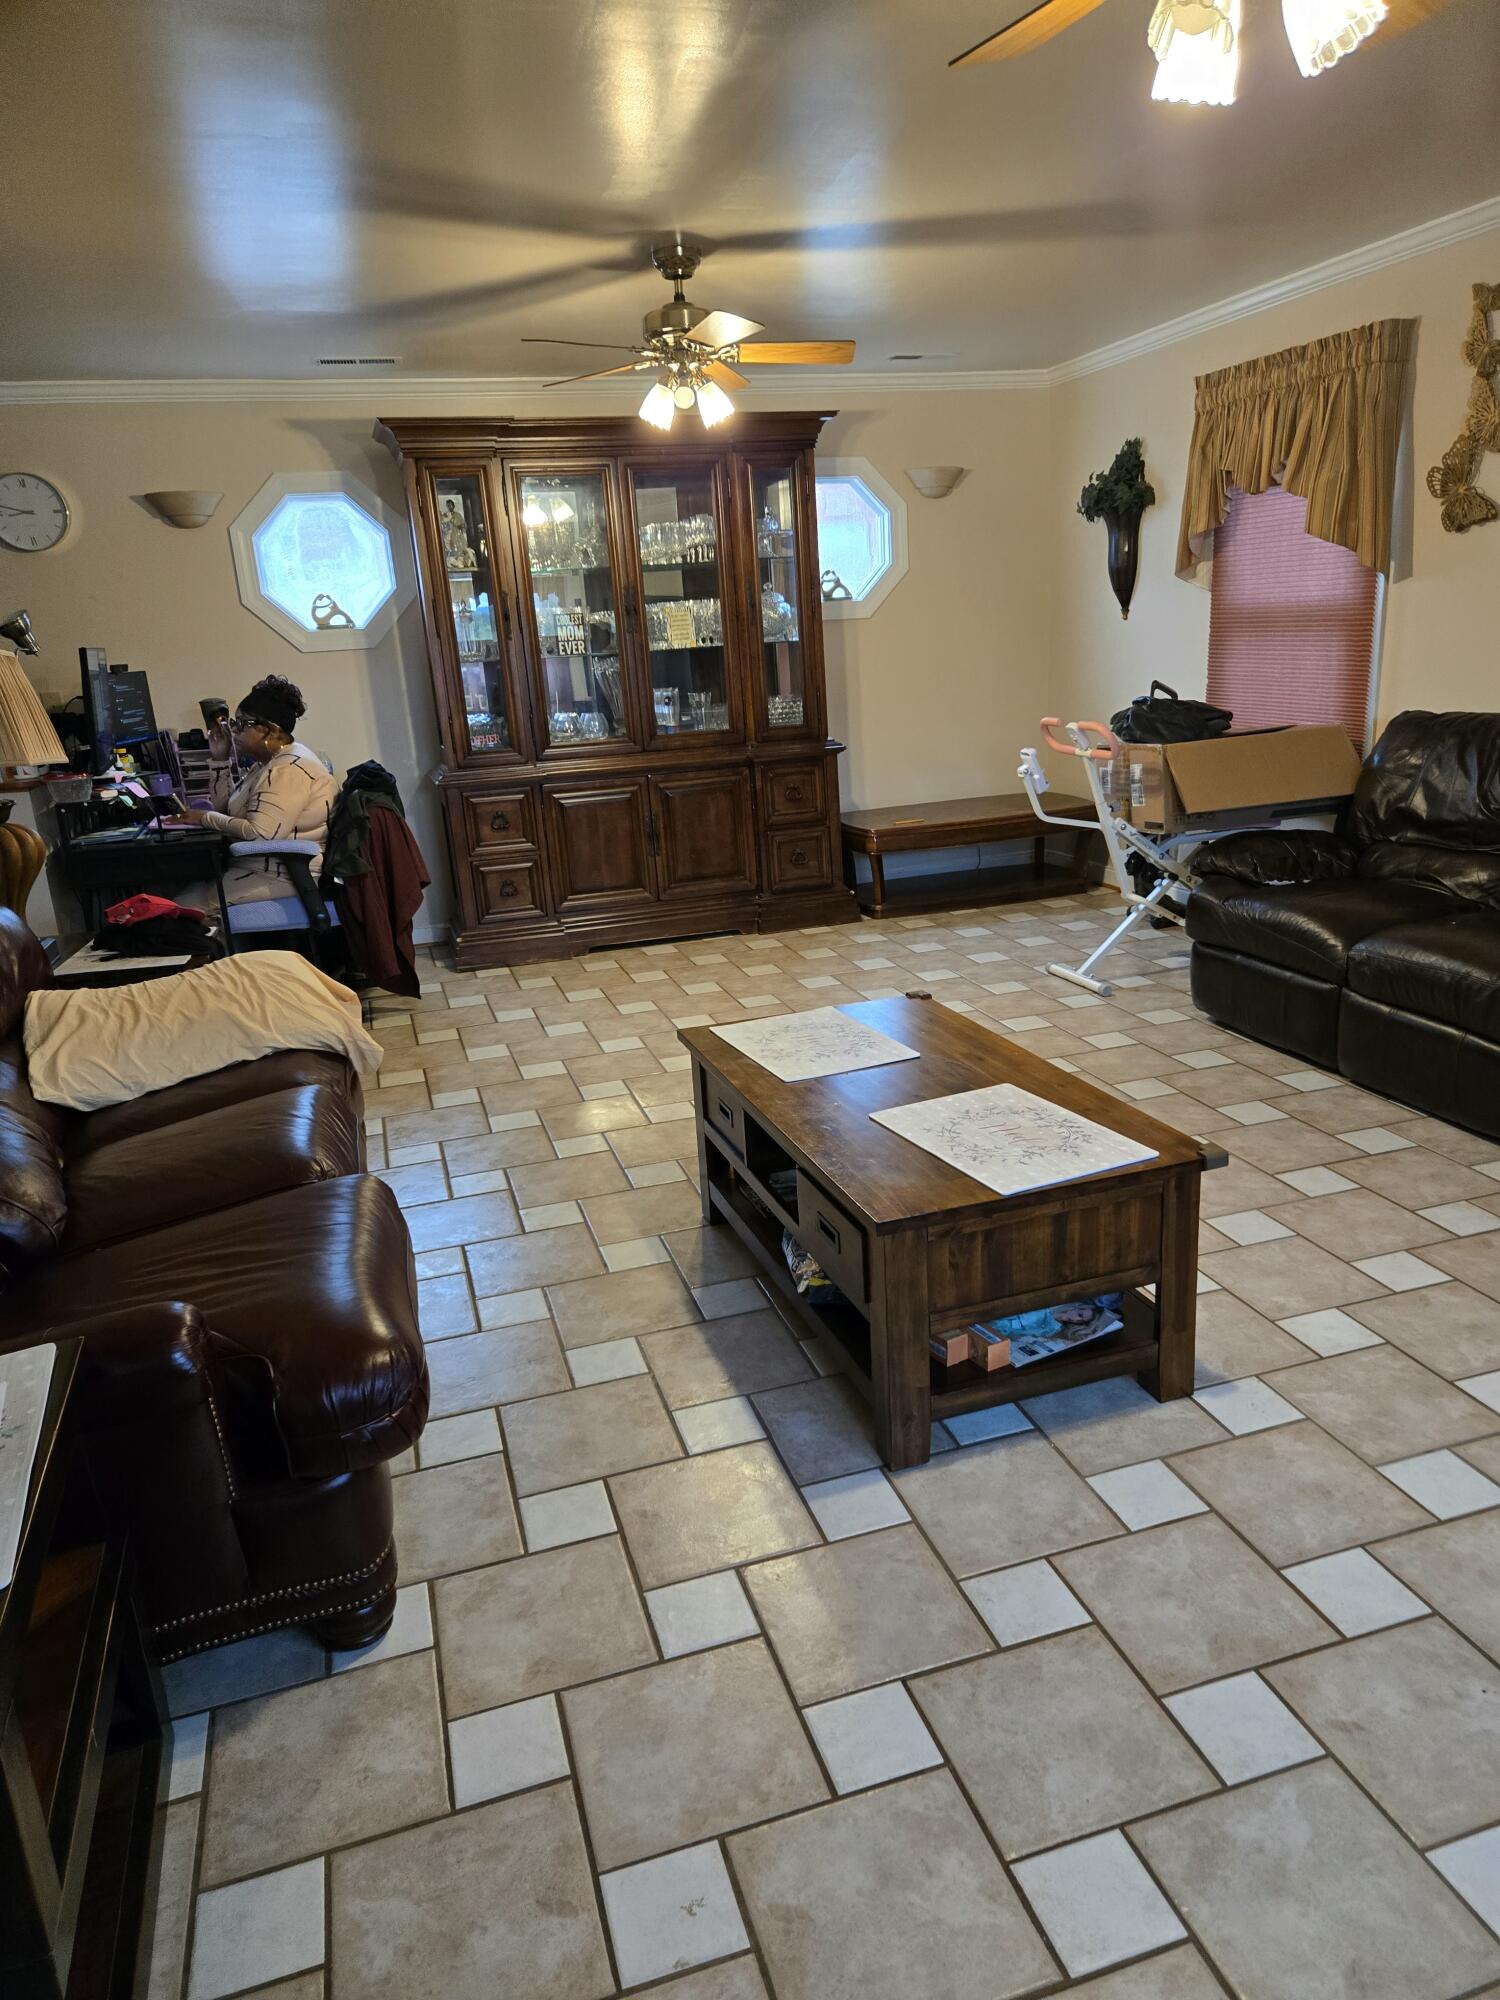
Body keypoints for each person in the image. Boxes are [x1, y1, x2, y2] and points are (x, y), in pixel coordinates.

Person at [175, 675, 337, 908]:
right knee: (172, 896)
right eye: (234, 722)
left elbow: (260, 834)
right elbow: (225, 809)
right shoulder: (267, 763)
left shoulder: (288, 770)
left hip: (282, 876)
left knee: (180, 907)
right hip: (255, 868)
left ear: (271, 730)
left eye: (242, 724)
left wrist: (204, 818)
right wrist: (220, 760)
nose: (234, 731)